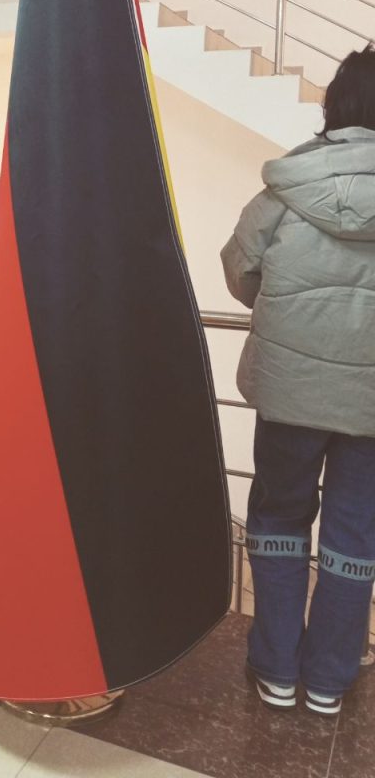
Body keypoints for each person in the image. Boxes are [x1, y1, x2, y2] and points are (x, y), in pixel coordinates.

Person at [221, 44, 375, 715]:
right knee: (356, 533)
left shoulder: (284, 187)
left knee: (280, 518)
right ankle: (330, 679)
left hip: (287, 391)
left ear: (332, 105)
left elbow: (240, 272)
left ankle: (277, 667)